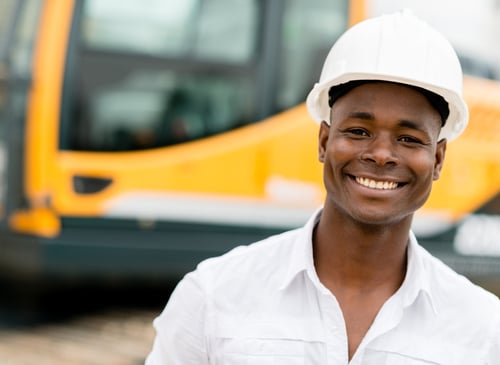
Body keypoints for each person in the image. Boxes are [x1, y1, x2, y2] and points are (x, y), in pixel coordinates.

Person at [145, 10, 500, 365]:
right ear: (324, 140)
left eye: (408, 138)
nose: (380, 155)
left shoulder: (482, 331)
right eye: (358, 131)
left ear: (437, 159)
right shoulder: (214, 296)